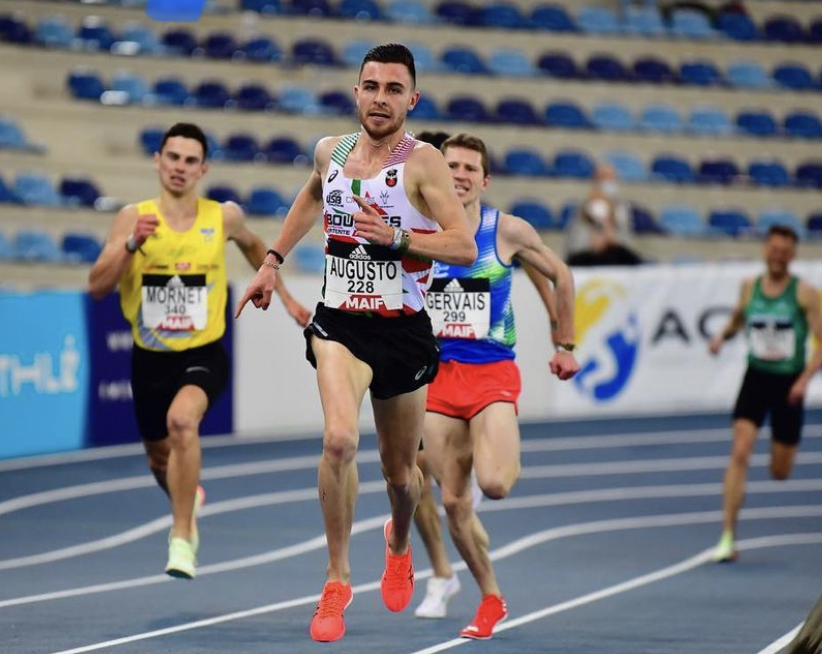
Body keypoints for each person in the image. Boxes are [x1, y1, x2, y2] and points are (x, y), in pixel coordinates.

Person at [236, 43, 478, 642]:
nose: (380, 99)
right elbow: (313, 194)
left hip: (402, 331)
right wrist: (271, 260)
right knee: (339, 439)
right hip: (340, 323)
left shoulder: (423, 163)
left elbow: (463, 245)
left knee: (401, 475)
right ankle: (337, 577)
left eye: (394, 89)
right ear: (356, 92)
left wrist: (398, 239)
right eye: (371, 86)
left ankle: (398, 542)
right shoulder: (332, 151)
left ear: (412, 99)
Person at [88, 121, 311, 580]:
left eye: (191, 161)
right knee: (159, 458)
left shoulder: (223, 217)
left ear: (203, 169)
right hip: (150, 358)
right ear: (158, 161)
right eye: (173, 157)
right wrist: (131, 245)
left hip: (203, 353)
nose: (180, 167)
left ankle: (182, 537)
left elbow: (256, 247)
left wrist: (285, 296)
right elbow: (97, 286)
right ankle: (186, 493)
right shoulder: (132, 218)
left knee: (182, 422)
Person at [413, 133, 581, 639]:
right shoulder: (419, 230)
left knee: (495, 485)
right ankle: (490, 598)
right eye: (451, 166)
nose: (460, 175)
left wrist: (564, 342)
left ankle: (479, 464)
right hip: (438, 377)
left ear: (484, 180)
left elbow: (560, 274)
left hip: (491, 374)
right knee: (452, 502)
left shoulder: (505, 230)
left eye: (470, 168)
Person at [708, 224, 822, 562]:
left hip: (789, 385)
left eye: (785, 252)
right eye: (774, 250)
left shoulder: (804, 293)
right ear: (765, 250)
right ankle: (727, 537)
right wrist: (721, 337)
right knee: (740, 451)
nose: (778, 257)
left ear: (793, 255)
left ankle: (780, 450)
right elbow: (738, 318)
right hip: (756, 378)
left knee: (780, 472)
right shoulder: (750, 286)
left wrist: (804, 381)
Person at [564, 164, 642, 267]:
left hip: (615, 260)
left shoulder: (622, 209)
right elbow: (574, 245)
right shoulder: (581, 209)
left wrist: (609, 234)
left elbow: (627, 244)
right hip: (586, 259)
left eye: (611, 178)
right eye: (603, 177)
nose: (607, 181)